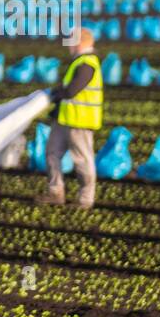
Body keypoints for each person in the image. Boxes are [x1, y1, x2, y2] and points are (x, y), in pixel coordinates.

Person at [37, 27, 103, 209]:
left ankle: (85, 200)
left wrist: (56, 93)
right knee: (52, 154)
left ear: (79, 42)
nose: (68, 46)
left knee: (82, 160)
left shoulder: (87, 63)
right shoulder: (79, 62)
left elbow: (72, 90)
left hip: (80, 122)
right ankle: (55, 193)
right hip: (64, 119)